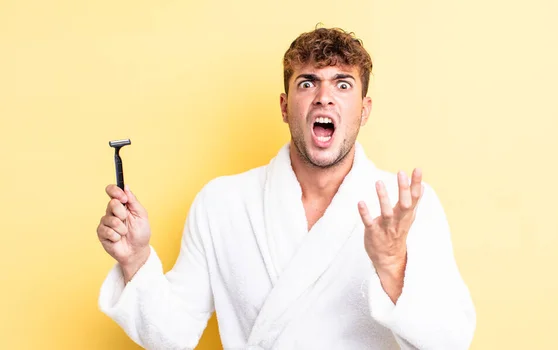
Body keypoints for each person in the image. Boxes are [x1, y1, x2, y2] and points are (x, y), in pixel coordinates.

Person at [97, 27, 476, 349]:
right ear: (284, 106)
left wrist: (394, 267)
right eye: (307, 83)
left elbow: (451, 340)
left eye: (342, 84)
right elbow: (171, 335)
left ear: (364, 109)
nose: (323, 97)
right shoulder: (221, 204)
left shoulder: (405, 207)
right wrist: (136, 260)